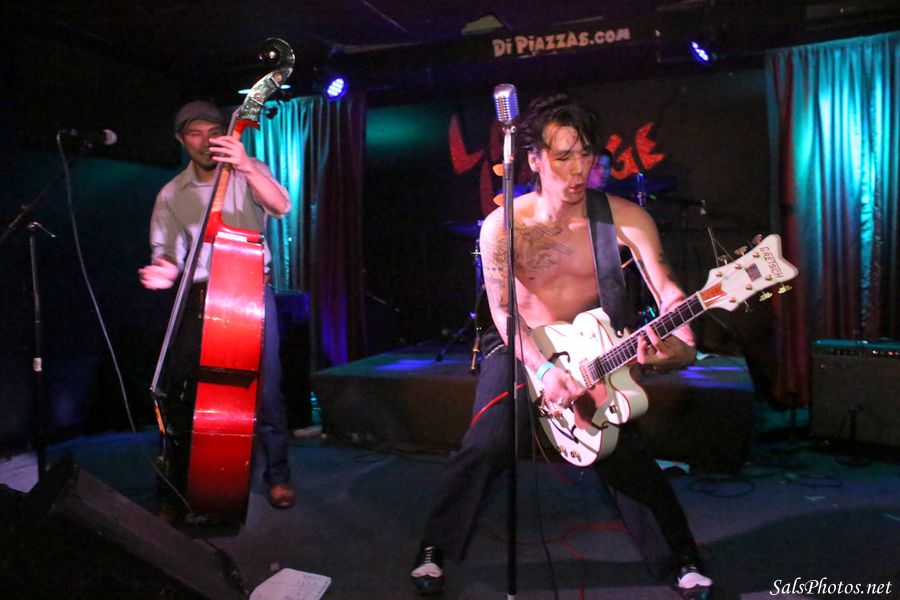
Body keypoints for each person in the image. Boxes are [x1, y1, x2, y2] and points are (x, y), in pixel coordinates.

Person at [410, 93, 713, 596]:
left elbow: (669, 294)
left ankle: (681, 557)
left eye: (586, 154)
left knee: (622, 449)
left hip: (590, 346)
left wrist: (680, 347)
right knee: (485, 443)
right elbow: (503, 311)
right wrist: (544, 369)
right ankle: (433, 547)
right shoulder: (504, 225)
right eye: (563, 156)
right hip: (520, 344)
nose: (578, 170)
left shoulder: (624, 218)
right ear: (533, 159)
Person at [138, 100, 295, 514]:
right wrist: (164, 271)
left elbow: (281, 206)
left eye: (213, 132)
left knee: (267, 390)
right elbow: (167, 253)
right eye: (195, 133)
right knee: (190, 390)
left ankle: (277, 476)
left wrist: (245, 166)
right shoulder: (171, 193)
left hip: (250, 290)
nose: (206, 142)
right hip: (200, 295)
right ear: (181, 140)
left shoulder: (249, 168)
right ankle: (195, 478)